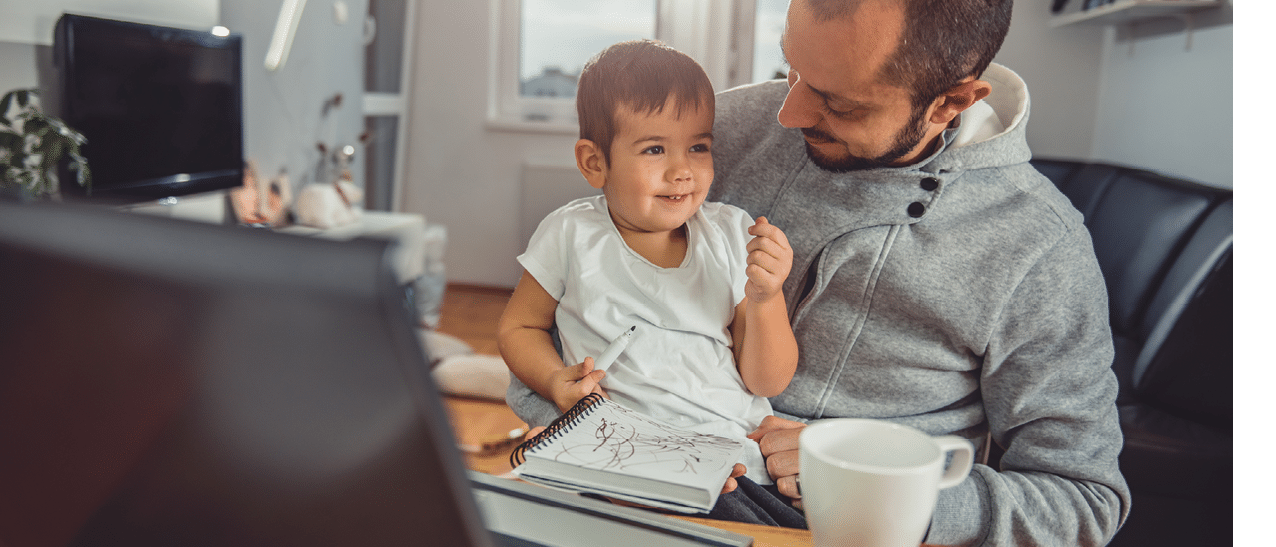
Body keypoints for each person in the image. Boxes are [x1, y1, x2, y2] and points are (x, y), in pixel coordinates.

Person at [509, 1, 1133, 545]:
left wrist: (872, 484)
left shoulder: (1039, 248)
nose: (788, 112)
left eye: (836, 101)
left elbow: (1082, 500)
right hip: (624, 486)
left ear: (951, 103)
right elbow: (582, 310)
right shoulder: (716, 132)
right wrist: (582, 424)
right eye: (790, 68)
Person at [497, 40, 799, 497]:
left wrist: (766, 297)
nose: (683, 170)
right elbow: (519, 327)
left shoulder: (733, 234)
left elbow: (766, 380)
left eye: (698, 147)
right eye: (655, 150)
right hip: (614, 452)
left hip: (726, 458)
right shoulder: (571, 232)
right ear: (595, 162)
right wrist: (554, 381)